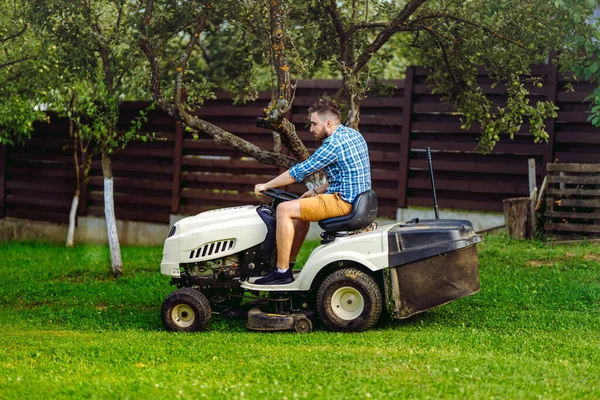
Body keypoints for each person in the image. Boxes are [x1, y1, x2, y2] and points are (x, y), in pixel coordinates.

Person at [253, 98, 371, 285]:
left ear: (329, 123)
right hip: (355, 199)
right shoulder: (352, 135)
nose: (311, 129)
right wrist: (316, 191)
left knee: (284, 209)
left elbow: (299, 172)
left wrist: (266, 185)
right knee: (299, 214)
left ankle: (281, 272)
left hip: (343, 202)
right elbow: (345, 176)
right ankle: (289, 265)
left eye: (314, 124)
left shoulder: (333, 144)